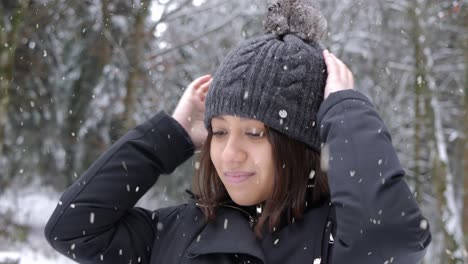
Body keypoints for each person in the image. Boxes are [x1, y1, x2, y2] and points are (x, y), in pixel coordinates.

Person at [44, 1, 431, 263]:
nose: (230, 154)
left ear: (302, 144)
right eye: (219, 131)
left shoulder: (335, 239)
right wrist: (171, 135)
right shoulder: (178, 230)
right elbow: (73, 227)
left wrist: (345, 114)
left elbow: (391, 239)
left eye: (255, 133)